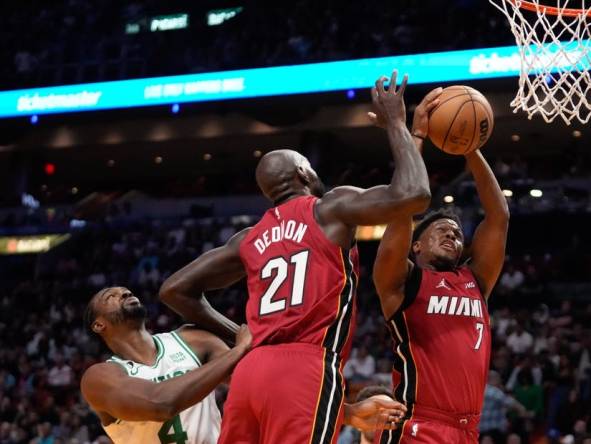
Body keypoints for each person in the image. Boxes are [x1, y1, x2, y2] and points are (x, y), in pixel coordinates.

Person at [159, 70, 425, 444]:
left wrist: (239, 336)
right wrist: (397, 122)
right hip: (305, 365)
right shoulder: (328, 209)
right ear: (304, 171)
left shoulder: (248, 238)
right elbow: (414, 194)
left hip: (250, 373)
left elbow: (174, 290)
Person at [372, 87, 510, 443]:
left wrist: (470, 149)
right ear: (415, 244)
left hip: (468, 429)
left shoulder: (474, 280)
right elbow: (403, 205)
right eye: (441, 231)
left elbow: (498, 216)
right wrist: (415, 136)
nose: (453, 236)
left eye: (457, 233)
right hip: (418, 425)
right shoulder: (402, 283)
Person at [80, 286, 253, 443]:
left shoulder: (193, 339)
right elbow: (161, 404)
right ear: (99, 325)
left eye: (128, 292)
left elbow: (249, 383)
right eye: (111, 296)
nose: (126, 293)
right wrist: (239, 349)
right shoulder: (99, 378)